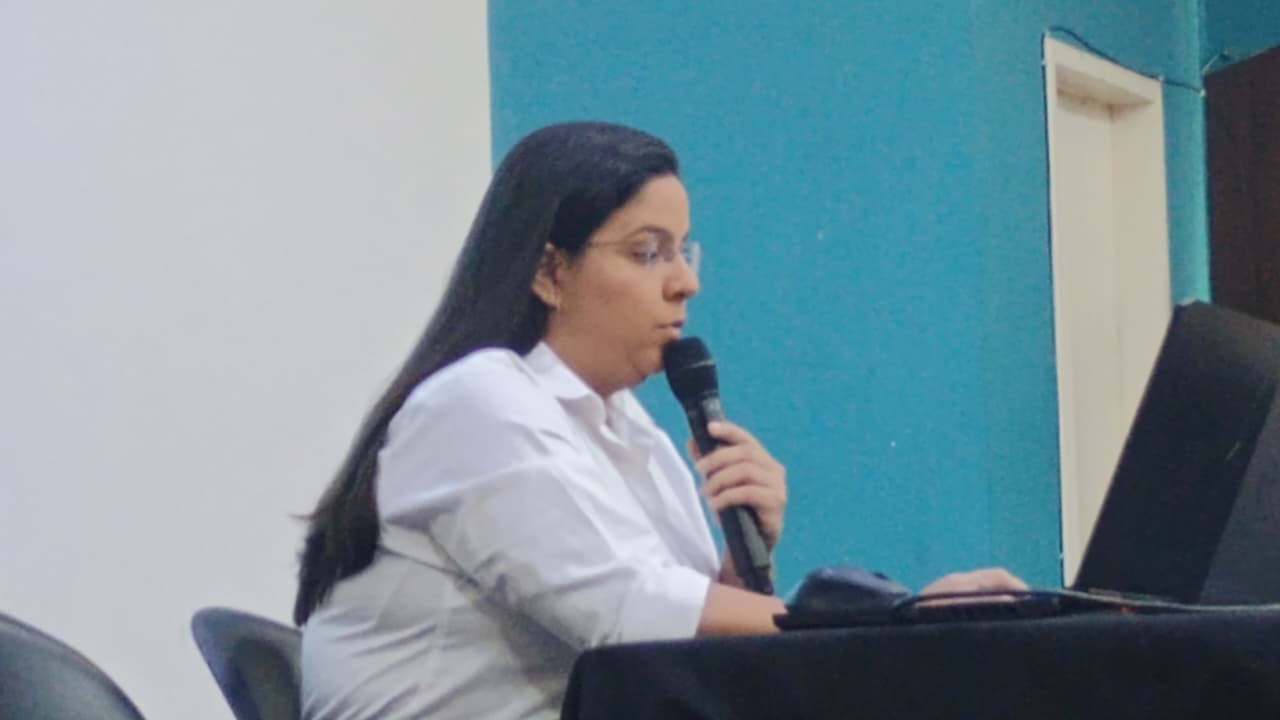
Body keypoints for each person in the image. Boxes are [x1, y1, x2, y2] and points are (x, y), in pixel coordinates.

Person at [294, 121, 1026, 720]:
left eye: (683, 250)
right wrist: (897, 623)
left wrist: (742, 562)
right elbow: (626, 618)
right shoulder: (475, 404)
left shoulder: (626, 422)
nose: (687, 282)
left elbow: (688, 651)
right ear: (549, 271)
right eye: (648, 253)